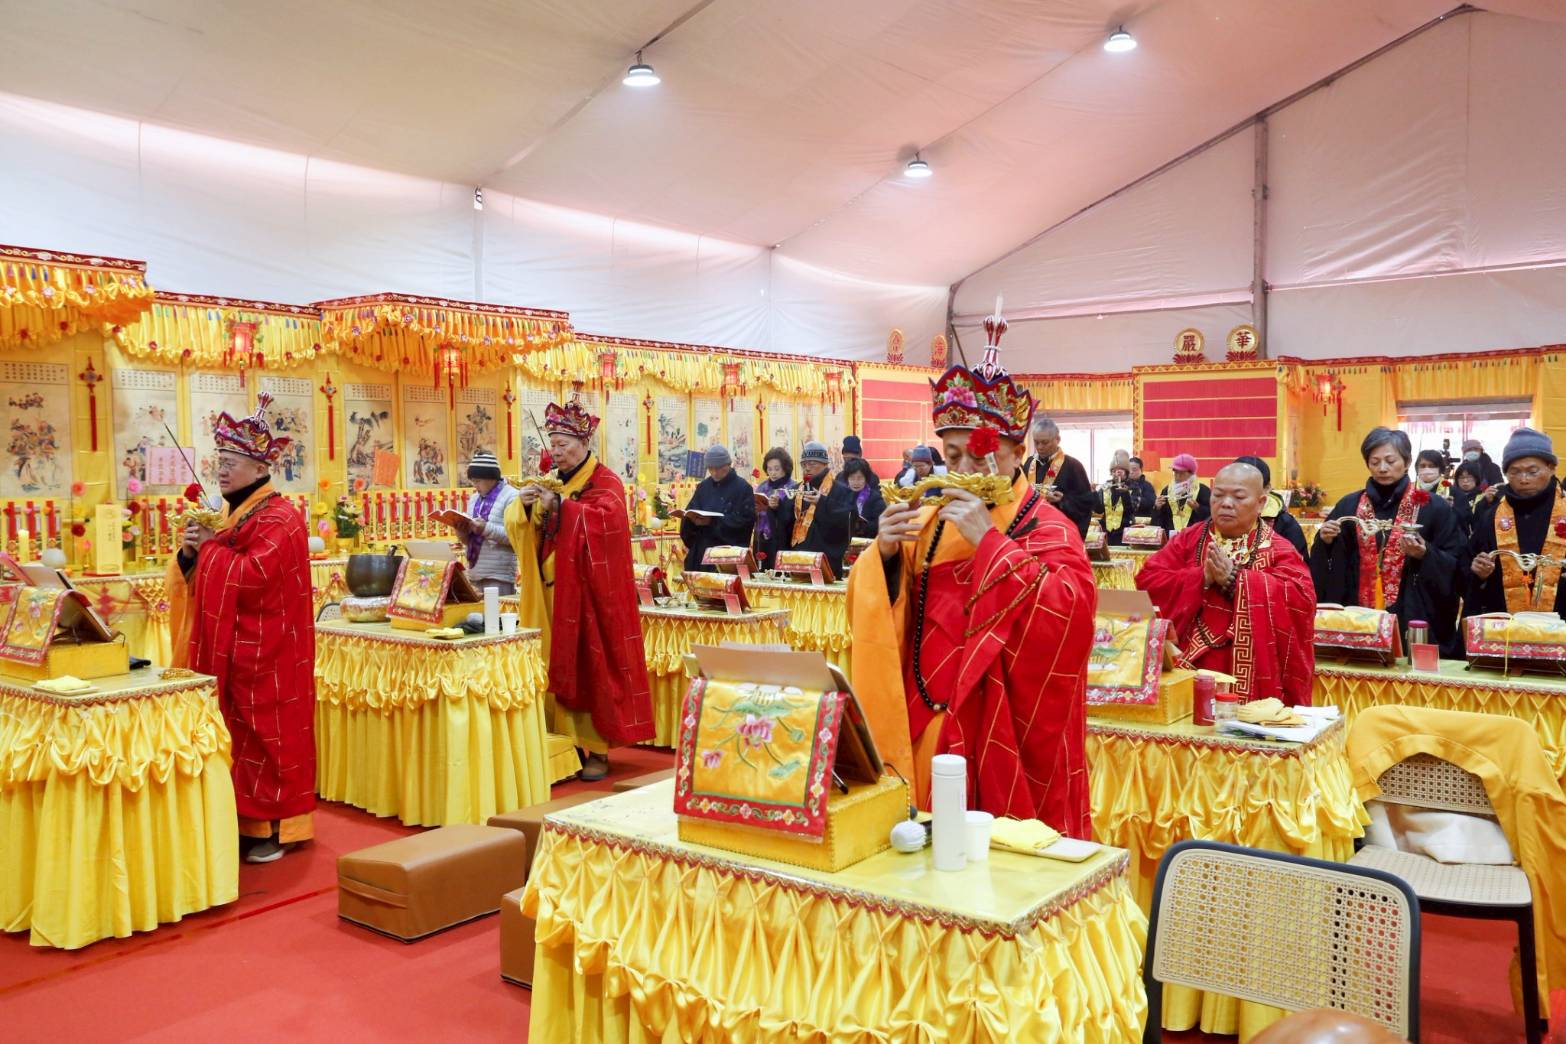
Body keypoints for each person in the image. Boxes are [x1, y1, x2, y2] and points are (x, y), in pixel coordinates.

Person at [847, 333, 1095, 838]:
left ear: (1017, 452)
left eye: (979, 456)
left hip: (1005, 727)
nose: (961, 471)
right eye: (952, 455)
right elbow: (891, 614)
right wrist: (886, 555)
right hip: (929, 718)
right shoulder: (931, 524)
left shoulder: (1049, 528)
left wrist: (991, 546)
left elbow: (1072, 616)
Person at [168, 394, 315, 864]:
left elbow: (254, 576)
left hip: (271, 651)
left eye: (231, 463)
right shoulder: (234, 514)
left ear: (259, 467)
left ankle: (279, 827)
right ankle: (244, 819)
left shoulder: (281, 517)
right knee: (236, 736)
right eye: (219, 462)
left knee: (272, 737)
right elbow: (207, 574)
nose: (222, 471)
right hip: (235, 648)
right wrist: (191, 554)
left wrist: (212, 550)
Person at [504, 398, 653, 782]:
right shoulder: (554, 480)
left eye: (563, 444)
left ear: (584, 443)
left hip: (587, 595)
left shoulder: (605, 482)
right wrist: (525, 507)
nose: (556, 452)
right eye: (552, 444)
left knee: (589, 666)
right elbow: (524, 528)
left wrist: (562, 506)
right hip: (550, 593)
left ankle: (597, 749)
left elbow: (607, 526)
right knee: (551, 667)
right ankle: (564, 749)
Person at [1138, 462, 1316, 705]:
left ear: (1261, 503)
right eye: (1218, 495)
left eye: (1239, 497)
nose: (1226, 503)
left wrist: (1236, 580)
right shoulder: (1189, 539)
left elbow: (1301, 600)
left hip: (1251, 675)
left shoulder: (1278, 549)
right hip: (1185, 666)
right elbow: (1148, 581)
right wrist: (1202, 577)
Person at [1310, 426, 1464, 653]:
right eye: (1375, 462)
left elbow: (1457, 562)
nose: (1382, 468)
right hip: (1357, 613)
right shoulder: (1349, 505)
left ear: (1407, 461)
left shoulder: (1433, 507)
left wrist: (1425, 554)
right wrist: (1326, 541)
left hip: (1413, 611)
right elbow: (1326, 564)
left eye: (1390, 461)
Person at [1464, 428, 1566, 618]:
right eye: (1514, 472)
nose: (1523, 479)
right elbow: (1467, 567)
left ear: (1551, 468)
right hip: (1505, 626)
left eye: (1532, 471)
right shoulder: (1492, 517)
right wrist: (1479, 573)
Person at [678, 444, 756, 573]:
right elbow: (691, 512)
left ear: (728, 465)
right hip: (702, 553)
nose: (714, 472)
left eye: (719, 468)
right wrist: (692, 520)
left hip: (727, 556)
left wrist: (713, 522)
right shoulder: (704, 487)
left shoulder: (743, 488)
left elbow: (745, 522)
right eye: (710, 469)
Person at [450, 450, 518, 594]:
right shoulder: (474, 499)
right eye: (473, 481)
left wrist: (485, 528)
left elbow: (515, 536)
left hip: (499, 575)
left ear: (491, 478)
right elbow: (470, 541)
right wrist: (461, 532)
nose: (475, 485)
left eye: (477, 481)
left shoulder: (512, 496)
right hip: (474, 572)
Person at [789, 440, 854, 576]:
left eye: (812, 463)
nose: (807, 468)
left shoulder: (841, 490)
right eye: (804, 464)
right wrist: (774, 506)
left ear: (825, 464)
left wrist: (822, 502)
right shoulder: (796, 490)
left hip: (827, 559)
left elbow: (846, 520)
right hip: (797, 558)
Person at [1023, 417, 1094, 537]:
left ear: (1057, 439)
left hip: (1060, 531)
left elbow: (1086, 502)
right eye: (1036, 442)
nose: (1040, 447)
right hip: (1032, 530)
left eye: (1045, 442)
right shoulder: (1029, 463)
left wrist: (1063, 501)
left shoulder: (1073, 465)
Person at [1235, 454, 1308, 558]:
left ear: (1267, 488)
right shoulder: (1218, 519)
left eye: (1248, 489)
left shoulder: (1285, 524)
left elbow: (1298, 565)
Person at [752, 446, 796, 569]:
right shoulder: (762, 487)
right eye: (769, 469)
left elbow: (792, 515)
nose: (773, 473)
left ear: (785, 468)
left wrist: (777, 508)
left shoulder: (793, 487)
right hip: (761, 537)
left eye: (777, 469)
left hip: (783, 538)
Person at [1156, 453, 1211, 533]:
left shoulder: (1203, 491)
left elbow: (1211, 516)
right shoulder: (1166, 490)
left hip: (1195, 535)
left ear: (1191, 473)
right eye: (1175, 472)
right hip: (1171, 537)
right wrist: (1157, 507)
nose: (1177, 476)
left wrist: (1198, 508)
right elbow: (1161, 519)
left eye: (1181, 473)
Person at [843, 457, 885, 538]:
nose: (856, 482)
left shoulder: (875, 499)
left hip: (868, 541)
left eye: (860, 478)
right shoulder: (841, 496)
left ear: (866, 478)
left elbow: (882, 524)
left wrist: (862, 527)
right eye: (852, 478)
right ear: (847, 479)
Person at [1098, 454, 1134, 545]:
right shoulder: (1106, 487)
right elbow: (1098, 509)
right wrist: (1093, 493)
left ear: (1126, 472)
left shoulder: (1133, 486)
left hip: (1125, 529)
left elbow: (1133, 509)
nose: (1117, 473)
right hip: (1106, 530)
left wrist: (1125, 494)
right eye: (1113, 471)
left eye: (1120, 470)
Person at [1452, 459, 1487, 538]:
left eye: (1469, 477)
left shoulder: (1484, 497)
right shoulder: (1451, 497)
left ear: (1476, 479)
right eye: (1461, 478)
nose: (1465, 481)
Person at [1126, 456, 1159, 521]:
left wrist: (1134, 499)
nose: (1131, 472)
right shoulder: (1124, 485)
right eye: (1129, 469)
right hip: (1126, 520)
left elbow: (1151, 503)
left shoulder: (1147, 485)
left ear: (1141, 470)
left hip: (1142, 520)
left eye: (1134, 469)